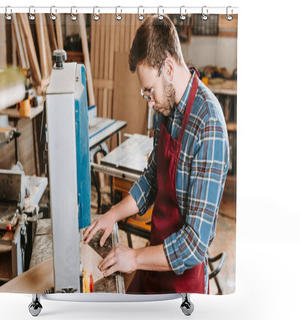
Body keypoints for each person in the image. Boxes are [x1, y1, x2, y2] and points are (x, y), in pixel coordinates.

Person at [83, 15, 229, 294]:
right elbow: (151, 180)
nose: (149, 103)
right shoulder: (166, 108)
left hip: (182, 282)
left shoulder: (208, 124)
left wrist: (134, 257)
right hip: (154, 261)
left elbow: (194, 244)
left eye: (150, 91)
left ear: (170, 67)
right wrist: (111, 215)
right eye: (145, 94)